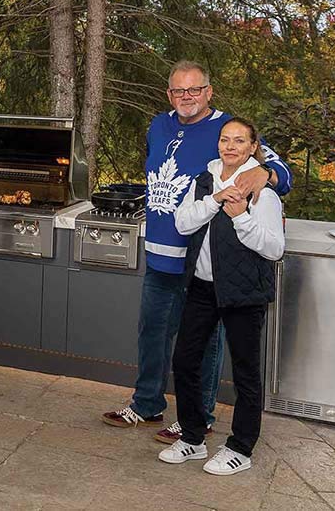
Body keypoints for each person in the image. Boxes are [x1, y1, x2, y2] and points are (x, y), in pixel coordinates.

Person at [102, 61, 291, 443]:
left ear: (208, 91)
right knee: (152, 333)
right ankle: (147, 403)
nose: (185, 97)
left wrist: (264, 174)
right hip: (157, 253)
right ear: (169, 94)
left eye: (193, 90)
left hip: (199, 262)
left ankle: (199, 418)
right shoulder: (159, 124)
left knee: (201, 344)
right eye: (177, 91)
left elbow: (280, 174)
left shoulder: (225, 131)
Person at [159, 117, 283, 474]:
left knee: (245, 372)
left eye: (239, 141)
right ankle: (193, 439)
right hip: (201, 286)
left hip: (244, 292)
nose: (230, 146)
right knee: (185, 361)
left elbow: (274, 248)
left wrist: (242, 216)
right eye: (225, 139)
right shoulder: (203, 181)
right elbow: (183, 223)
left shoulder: (263, 190)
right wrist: (214, 201)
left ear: (252, 147)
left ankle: (241, 448)